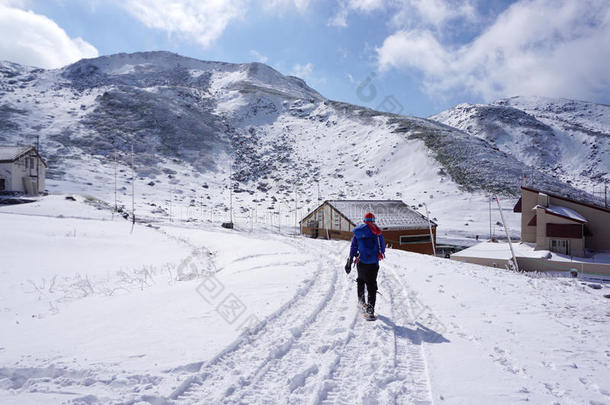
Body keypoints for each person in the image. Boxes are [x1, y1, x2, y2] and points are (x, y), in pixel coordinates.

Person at [344, 212, 385, 320]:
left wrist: (350, 259)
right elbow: (383, 247)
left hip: (361, 262)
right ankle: (370, 312)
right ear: (373, 221)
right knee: (371, 285)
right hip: (373, 263)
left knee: (361, 281)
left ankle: (362, 302)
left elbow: (353, 247)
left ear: (364, 220)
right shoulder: (378, 232)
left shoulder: (358, 231)